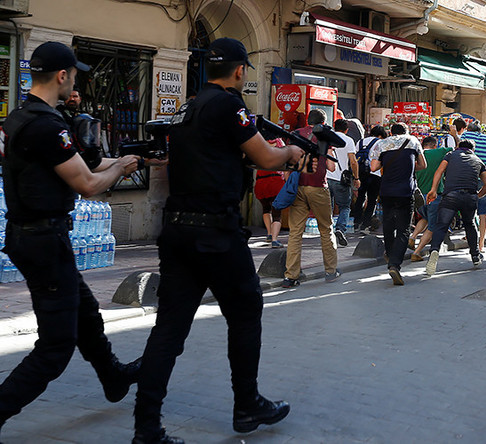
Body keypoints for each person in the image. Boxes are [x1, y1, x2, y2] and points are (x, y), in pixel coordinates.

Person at [132, 38, 302, 443]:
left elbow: (210, 154)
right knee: (245, 313)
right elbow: (264, 157)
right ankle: (247, 405)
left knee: (169, 330)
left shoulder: (188, 106)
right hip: (215, 231)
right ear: (241, 71)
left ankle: (146, 428)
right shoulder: (229, 105)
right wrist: (291, 151)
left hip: (177, 228)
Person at [0, 41, 139, 441]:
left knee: (86, 314)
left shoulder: (22, 116)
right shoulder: (48, 125)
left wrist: (130, 159)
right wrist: (124, 168)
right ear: (62, 76)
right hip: (43, 240)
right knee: (56, 346)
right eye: (74, 74)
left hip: (34, 237)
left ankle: (113, 377)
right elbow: (90, 184)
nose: (75, 79)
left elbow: (85, 166)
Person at [282, 108, 341, 288]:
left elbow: (286, 167)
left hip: (298, 186)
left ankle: (291, 276)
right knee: (326, 229)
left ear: (308, 120)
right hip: (317, 187)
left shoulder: (296, 134)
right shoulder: (323, 135)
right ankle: (331, 271)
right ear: (323, 122)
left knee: (295, 232)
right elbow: (331, 167)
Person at [370, 122, 426, 285]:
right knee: (403, 229)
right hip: (405, 191)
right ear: (406, 131)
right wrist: (408, 167)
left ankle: (389, 252)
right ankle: (394, 264)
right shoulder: (413, 141)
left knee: (388, 224)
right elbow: (423, 165)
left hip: (386, 190)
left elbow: (374, 167)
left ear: (391, 132)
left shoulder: (382, 143)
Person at [425, 139, 486, 275]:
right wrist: (478, 195)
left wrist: (433, 189)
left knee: (441, 225)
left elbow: (439, 171)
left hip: (451, 196)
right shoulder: (478, 160)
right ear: (473, 149)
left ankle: (434, 251)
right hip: (470, 197)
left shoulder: (450, 155)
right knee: (470, 224)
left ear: (458, 147)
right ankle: (475, 255)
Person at [460, 121, 486, 253]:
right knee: (483, 213)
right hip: (484, 177)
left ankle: (471, 239)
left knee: (468, 209)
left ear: (468, 129)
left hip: (468, 176)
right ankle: (481, 244)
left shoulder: (465, 136)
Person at [410, 136, 451, 261]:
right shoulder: (438, 153)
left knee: (425, 218)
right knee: (432, 226)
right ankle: (417, 252)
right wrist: (454, 134)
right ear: (434, 145)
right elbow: (456, 148)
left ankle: (413, 237)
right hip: (433, 196)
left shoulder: (417, 156)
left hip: (418, 197)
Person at [326, 118, 360, 247]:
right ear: (346, 130)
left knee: (327, 207)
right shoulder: (348, 140)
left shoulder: (328, 138)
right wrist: (356, 178)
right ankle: (340, 229)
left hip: (327, 177)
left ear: (334, 127)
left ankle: (327, 233)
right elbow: (353, 161)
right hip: (341, 179)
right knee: (344, 206)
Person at [352, 125, 387, 232]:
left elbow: (355, 157)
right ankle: (366, 223)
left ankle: (356, 222)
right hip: (375, 174)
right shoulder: (380, 142)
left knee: (360, 197)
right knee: (372, 199)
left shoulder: (360, 142)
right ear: (381, 135)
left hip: (361, 173)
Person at [253, 139, 286, 248]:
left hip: (261, 182)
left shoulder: (259, 145)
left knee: (266, 209)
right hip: (275, 182)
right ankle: (275, 240)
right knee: (277, 213)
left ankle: (269, 233)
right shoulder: (280, 145)